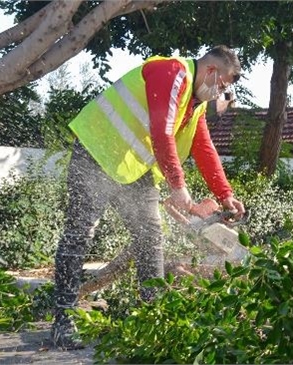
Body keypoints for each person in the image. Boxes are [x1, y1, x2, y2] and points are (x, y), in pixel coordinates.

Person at [51, 45, 246, 350]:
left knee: (150, 237)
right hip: (96, 153)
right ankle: (62, 320)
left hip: (133, 168)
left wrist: (226, 196)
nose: (220, 94)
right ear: (210, 71)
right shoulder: (172, 73)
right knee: (79, 234)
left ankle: (152, 316)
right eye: (221, 86)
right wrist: (178, 186)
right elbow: (161, 133)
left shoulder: (194, 105)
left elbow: (204, 148)